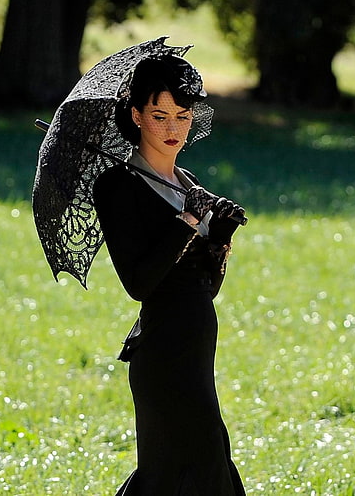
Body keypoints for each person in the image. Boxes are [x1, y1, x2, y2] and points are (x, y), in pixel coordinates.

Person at [92, 53, 246, 495]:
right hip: (161, 349)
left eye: (182, 115)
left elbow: (204, 289)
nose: (173, 128)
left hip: (196, 343)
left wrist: (219, 237)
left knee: (203, 461)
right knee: (192, 470)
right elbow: (139, 284)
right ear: (137, 115)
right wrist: (185, 223)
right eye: (159, 115)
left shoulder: (186, 181)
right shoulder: (118, 185)